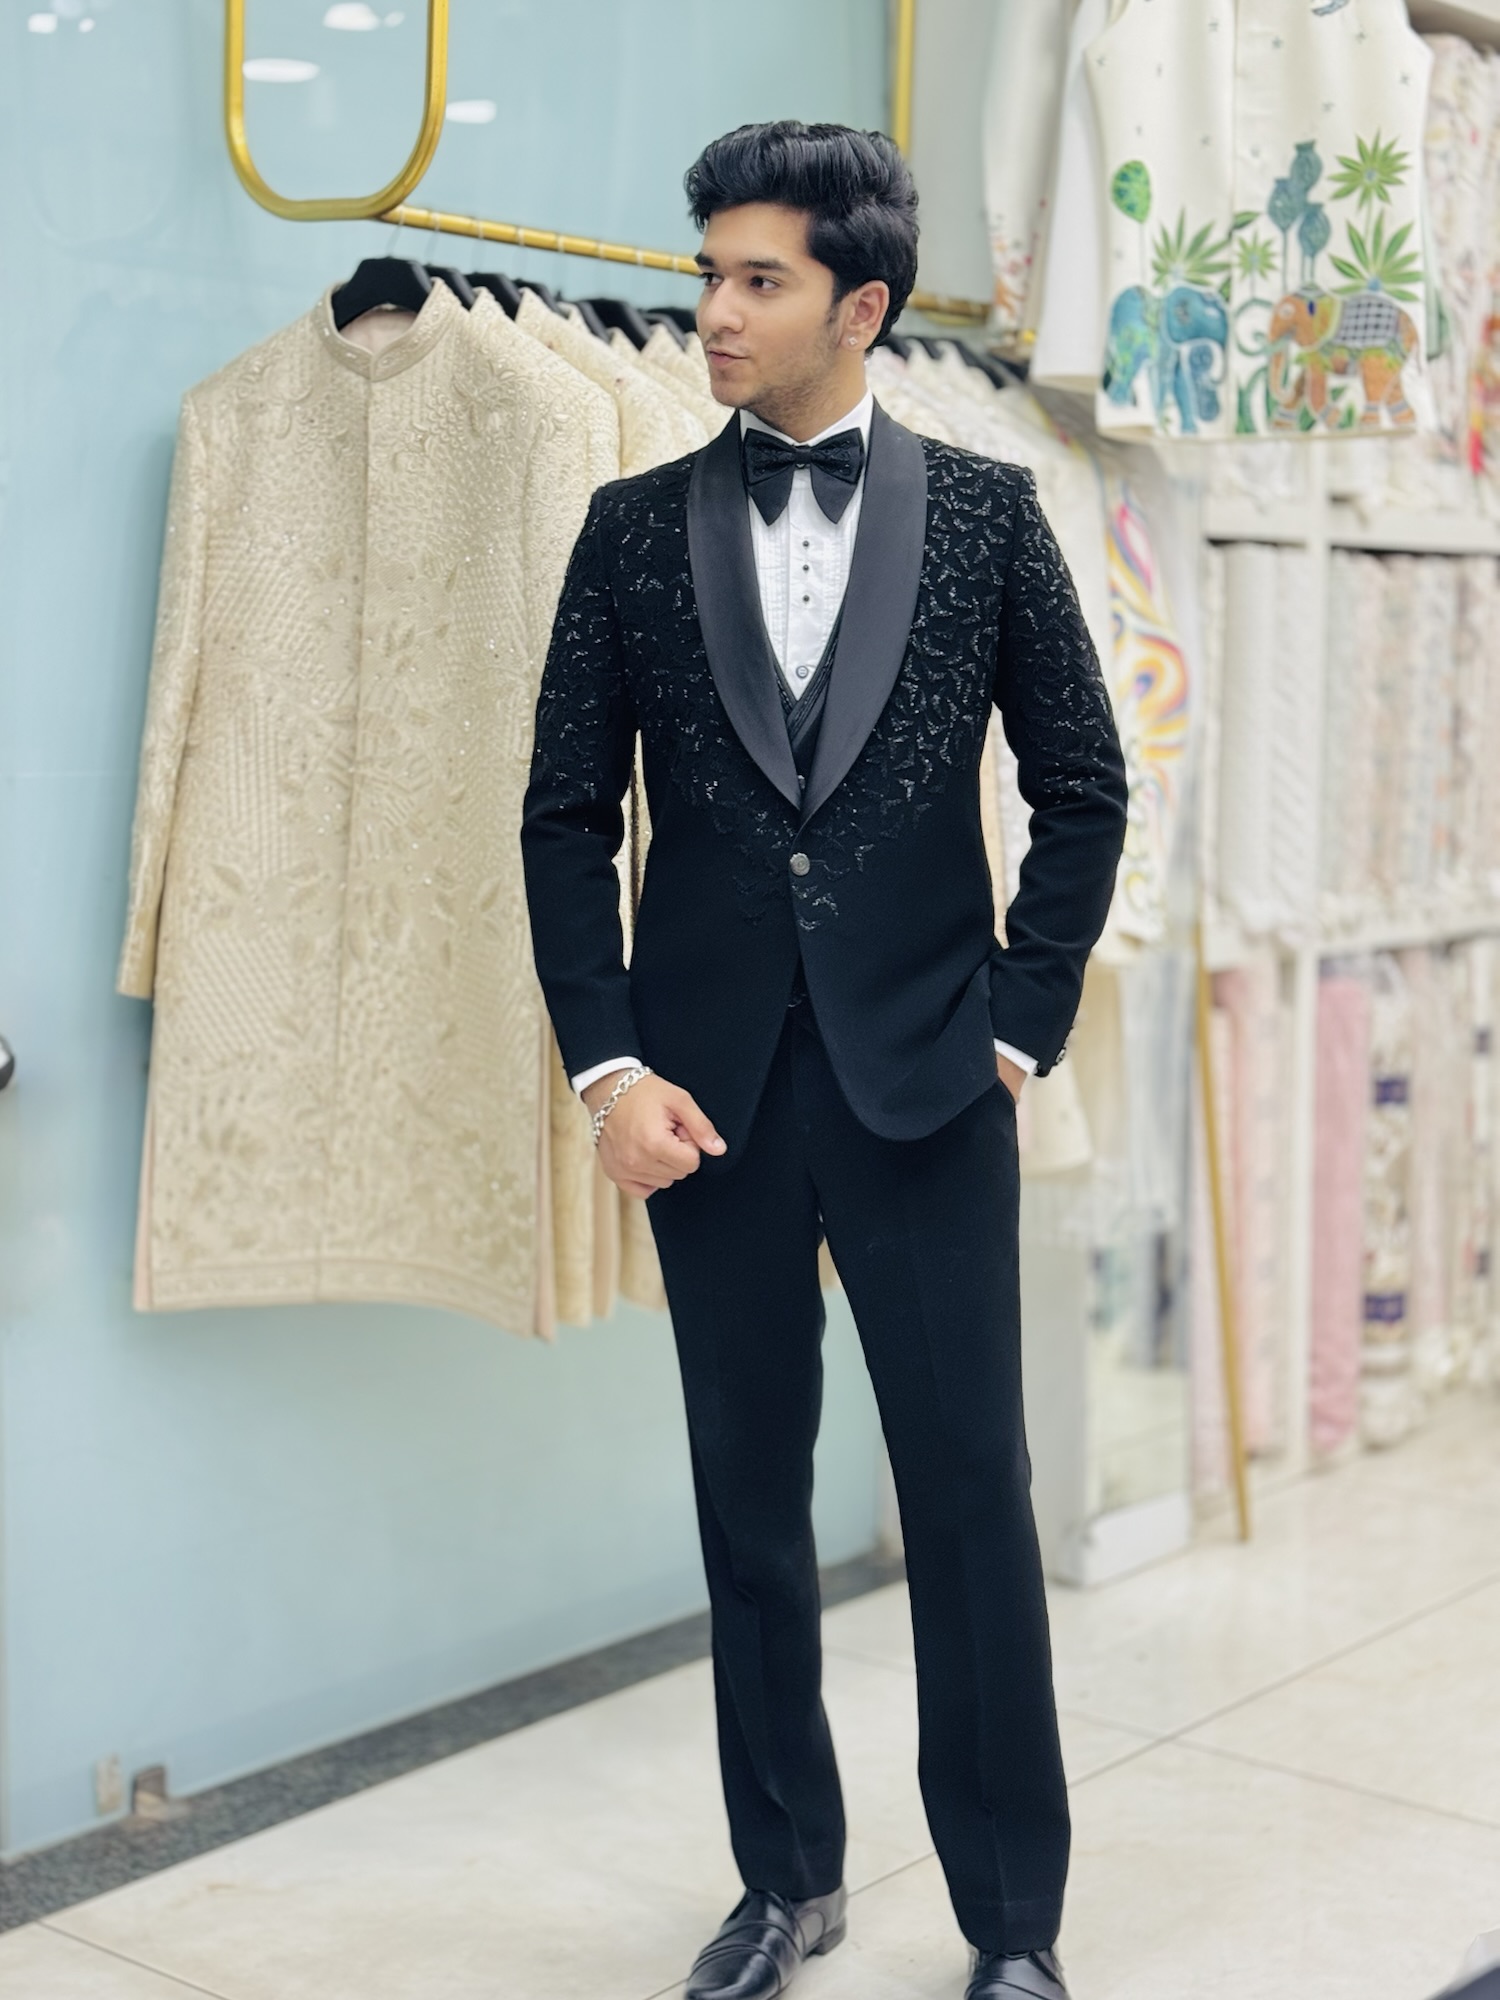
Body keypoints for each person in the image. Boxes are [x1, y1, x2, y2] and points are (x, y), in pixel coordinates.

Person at [521, 120, 1128, 2000]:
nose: (714, 309)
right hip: (704, 1100)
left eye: (756, 279)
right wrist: (608, 1071)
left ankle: (1013, 1923)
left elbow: (1084, 786)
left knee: (969, 1500)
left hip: (930, 1085)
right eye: (707, 273)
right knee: (749, 1506)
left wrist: (1015, 1026)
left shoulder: (993, 516)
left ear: (861, 307)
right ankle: (785, 1882)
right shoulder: (630, 531)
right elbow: (563, 818)